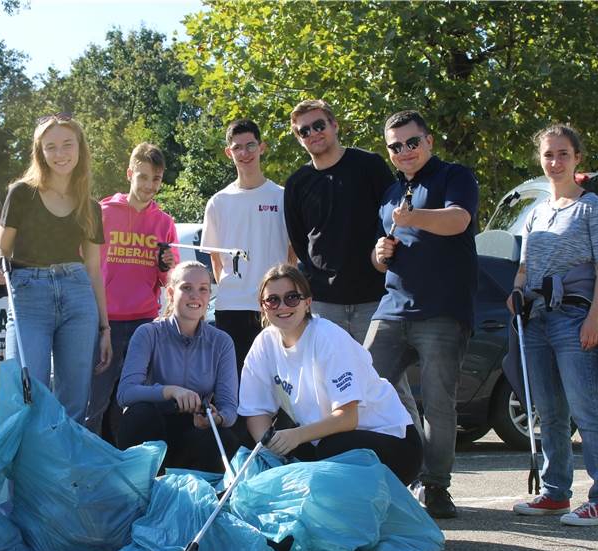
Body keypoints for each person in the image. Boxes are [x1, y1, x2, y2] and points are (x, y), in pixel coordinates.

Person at [367, 110, 479, 518]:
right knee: (361, 387)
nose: (404, 151)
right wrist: (379, 256)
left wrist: (414, 218)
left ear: (429, 141)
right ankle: (374, 478)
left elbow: (459, 220)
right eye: (395, 146)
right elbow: (383, 247)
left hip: (442, 312)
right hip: (392, 308)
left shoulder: (455, 176)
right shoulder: (389, 193)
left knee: (438, 404)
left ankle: (436, 488)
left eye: (412, 142)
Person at [510, 124, 598, 526]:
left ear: (577, 158)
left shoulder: (593, 208)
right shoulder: (535, 212)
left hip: (575, 317)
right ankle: (555, 492)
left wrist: (595, 316)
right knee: (549, 412)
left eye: (562, 154)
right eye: (548, 155)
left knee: (587, 409)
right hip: (536, 319)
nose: (554, 162)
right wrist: (517, 289)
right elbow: (524, 265)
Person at [283, 99, 418, 419]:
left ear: (334, 125)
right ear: (298, 137)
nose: (313, 133)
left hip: (375, 299)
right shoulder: (297, 184)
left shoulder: (368, 165)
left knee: (389, 385)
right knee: (332, 388)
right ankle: (348, 461)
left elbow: (393, 220)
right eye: (305, 130)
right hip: (325, 303)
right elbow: (301, 243)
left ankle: (417, 462)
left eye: (319, 125)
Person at [239, 264, 421, 485]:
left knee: (327, 448)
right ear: (263, 307)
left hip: (395, 445)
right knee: (284, 457)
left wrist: (295, 436)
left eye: (292, 297)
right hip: (325, 440)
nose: (282, 306)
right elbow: (255, 411)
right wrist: (270, 449)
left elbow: (347, 418)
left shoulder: (328, 337)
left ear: (307, 302)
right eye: (273, 300)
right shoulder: (264, 344)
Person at [0, 114, 111, 424]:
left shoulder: (91, 206)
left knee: (73, 401)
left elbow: (94, 269)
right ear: (39, 151)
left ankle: (62, 471)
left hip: (78, 295)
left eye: (67, 145)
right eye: (51, 147)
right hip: (29, 294)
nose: (60, 154)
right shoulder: (21, 193)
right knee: (28, 391)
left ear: (80, 149)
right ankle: (24, 470)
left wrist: (104, 328)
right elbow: (2, 248)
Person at [84, 143, 179, 441]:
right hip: (104, 321)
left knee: (128, 403)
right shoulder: (102, 212)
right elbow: (86, 266)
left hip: (143, 324)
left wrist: (166, 266)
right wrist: (100, 322)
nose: (150, 185)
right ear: (130, 174)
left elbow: (168, 280)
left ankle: (121, 463)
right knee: (94, 402)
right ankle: (85, 467)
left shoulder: (164, 223)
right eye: (144, 177)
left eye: (156, 179)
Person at [116, 261, 239, 473]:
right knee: (139, 415)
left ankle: (198, 499)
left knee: (225, 439)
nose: (195, 295)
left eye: (203, 289)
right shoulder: (148, 333)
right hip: (152, 429)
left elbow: (229, 407)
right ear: (171, 293)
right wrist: (170, 391)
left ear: (209, 295)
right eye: (186, 288)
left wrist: (215, 418)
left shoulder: (222, 342)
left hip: (193, 429)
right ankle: (143, 491)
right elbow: (125, 393)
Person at [202, 119, 291, 374]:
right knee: (236, 382)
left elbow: (292, 253)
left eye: (250, 145)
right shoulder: (218, 202)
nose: (244, 153)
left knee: (279, 382)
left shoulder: (282, 196)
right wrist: (235, 289)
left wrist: (281, 293)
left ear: (262, 147)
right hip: (232, 308)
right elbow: (216, 261)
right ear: (228, 152)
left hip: (276, 304)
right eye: (237, 147)